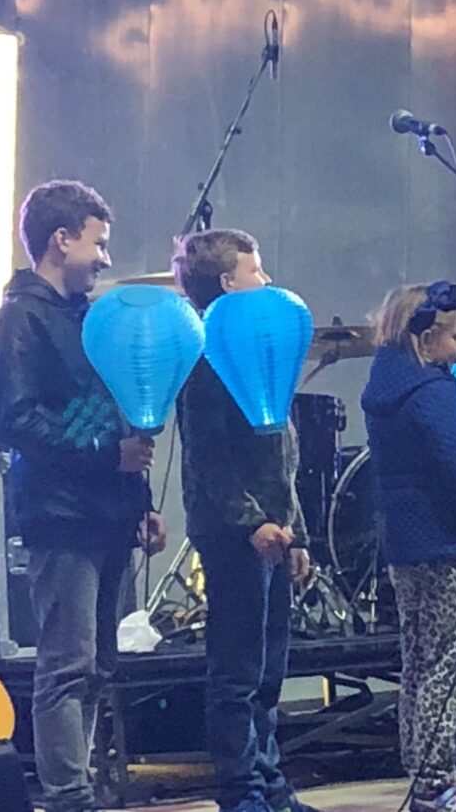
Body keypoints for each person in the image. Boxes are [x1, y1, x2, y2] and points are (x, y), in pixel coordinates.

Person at [0, 179, 166, 812]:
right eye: (99, 243)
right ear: (61, 240)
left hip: (106, 512)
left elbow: (116, 417)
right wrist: (105, 458)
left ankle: (79, 787)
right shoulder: (20, 318)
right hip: (61, 518)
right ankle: (69, 797)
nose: (107, 259)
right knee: (68, 666)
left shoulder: (88, 320)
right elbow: (15, 419)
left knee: (96, 668)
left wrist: (139, 500)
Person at [172, 229, 316, 812]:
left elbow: (283, 456)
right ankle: (243, 794)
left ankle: (272, 787)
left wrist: (296, 531)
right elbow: (210, 458)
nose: (268, 281)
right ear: (229, 283)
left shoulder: (261, 353)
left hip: (274, 534)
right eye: (258, 272)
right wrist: (253, 523)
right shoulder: (206, 357)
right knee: (237, 671)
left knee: (270, 670)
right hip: (236, 535)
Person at [361, 281, 456, 812]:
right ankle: (438, 783)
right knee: (450, 662)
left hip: (404, 545)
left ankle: (422, 773)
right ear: (427, 338)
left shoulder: (384, 389)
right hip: (447, 542)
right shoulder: (434, 391)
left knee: (419, 659)